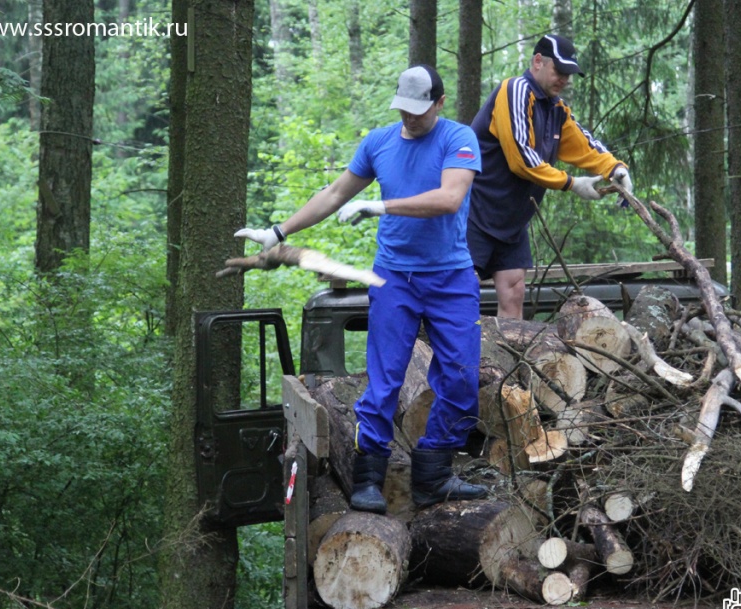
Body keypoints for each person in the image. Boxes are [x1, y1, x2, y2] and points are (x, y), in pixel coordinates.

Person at [234, 65, 487, 514]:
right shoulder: (379, 143)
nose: (411, 117)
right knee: (384, 378)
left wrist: (381, 205)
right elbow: (334, 193)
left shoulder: (458, 138)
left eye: (420, 110)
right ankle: (368, 477)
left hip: (451, 278)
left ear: (440, 103)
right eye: (404, 109)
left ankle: (433, 474)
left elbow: (450, 198)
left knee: (462, 376)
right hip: (394, 278)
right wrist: (278, 231)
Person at [468, 34, 634, 318]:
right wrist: (571, 183)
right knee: (461, 291)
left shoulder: (556, 109)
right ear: (538, 62)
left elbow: (584, 144)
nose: (564, 80)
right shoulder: (515, 90)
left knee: (514, 291)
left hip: (512, 220)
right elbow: (521, 159)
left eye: (569, 74)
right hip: (475, 212)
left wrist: (615, 168)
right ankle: (450, 348)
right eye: (559, 71)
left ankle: (506, 348)